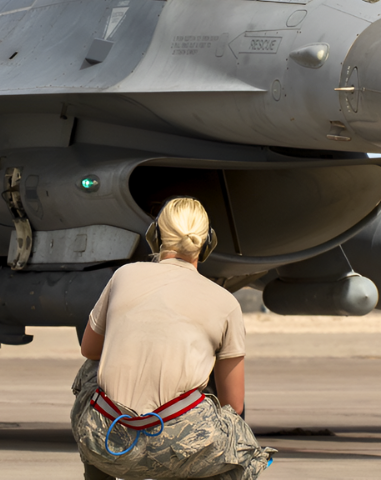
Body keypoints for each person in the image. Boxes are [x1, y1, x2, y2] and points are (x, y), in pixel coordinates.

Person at [70, 197, 273, 480]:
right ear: (208, 243)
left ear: (155, 236)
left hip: (106, 443)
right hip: (180, 450)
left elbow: (89, 349)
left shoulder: (124, 276)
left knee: (92, 369)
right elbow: (234, 404)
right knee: (241, 444)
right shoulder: (226, 303)